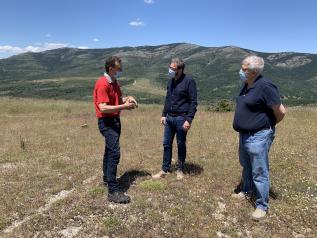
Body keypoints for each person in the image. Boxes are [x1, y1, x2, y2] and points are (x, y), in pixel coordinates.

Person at [232, 55, 286, 220]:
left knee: (259, 171)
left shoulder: (266, 86)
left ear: (253, 72)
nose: (240, 71)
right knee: (246, 166)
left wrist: (268, 127)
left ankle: (262, 206)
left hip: (259, 135)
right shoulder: (246, 84)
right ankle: (246, 191)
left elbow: (281, 111)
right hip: (244, 134)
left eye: (244, 68)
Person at [93, 56, 137, 204]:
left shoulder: (114, 82)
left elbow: (118, 100)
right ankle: (112, 191)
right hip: (106, 122)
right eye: (118, 69)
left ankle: (107, 178)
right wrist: (124, 107)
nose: (120, 71)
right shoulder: (102, 83)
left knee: (109, 150)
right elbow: (103, 107)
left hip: (114, 121)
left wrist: (128, 99)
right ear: (110, 68)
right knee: (114, 153)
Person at [153, 58, 198, 180]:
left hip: (181, 118)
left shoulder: (189, 81)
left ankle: (180, 169)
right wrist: (163, 114)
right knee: (166, 144)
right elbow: (168, 99)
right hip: (169, 118)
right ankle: (165, 169)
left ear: (180, 69)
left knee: (180, 144)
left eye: (173, 69)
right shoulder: (171, 81)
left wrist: (189, 119)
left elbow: (193, 102)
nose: (170, 70)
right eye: (170, 67)